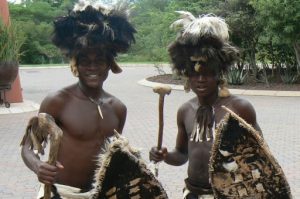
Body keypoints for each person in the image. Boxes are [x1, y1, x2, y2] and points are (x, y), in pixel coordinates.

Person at [21, 1, 136, 198]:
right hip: (61, 193)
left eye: (99, 61)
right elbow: (27, 147)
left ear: (110, 65)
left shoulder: (118, 109)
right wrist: (38, 166)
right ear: (76, 65)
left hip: (99, 193)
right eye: (85, 62)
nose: (92, 67)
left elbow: (114, 155)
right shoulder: (57, 101)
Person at [149, 12, 262, 199]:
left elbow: (260, 158)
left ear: (219, 73)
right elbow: (182, 154)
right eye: (194, 74)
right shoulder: (185, 111)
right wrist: (165, 155)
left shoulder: (239, 109)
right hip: (191, 193)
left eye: (208, 72)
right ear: (186, 75)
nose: (200, 79)